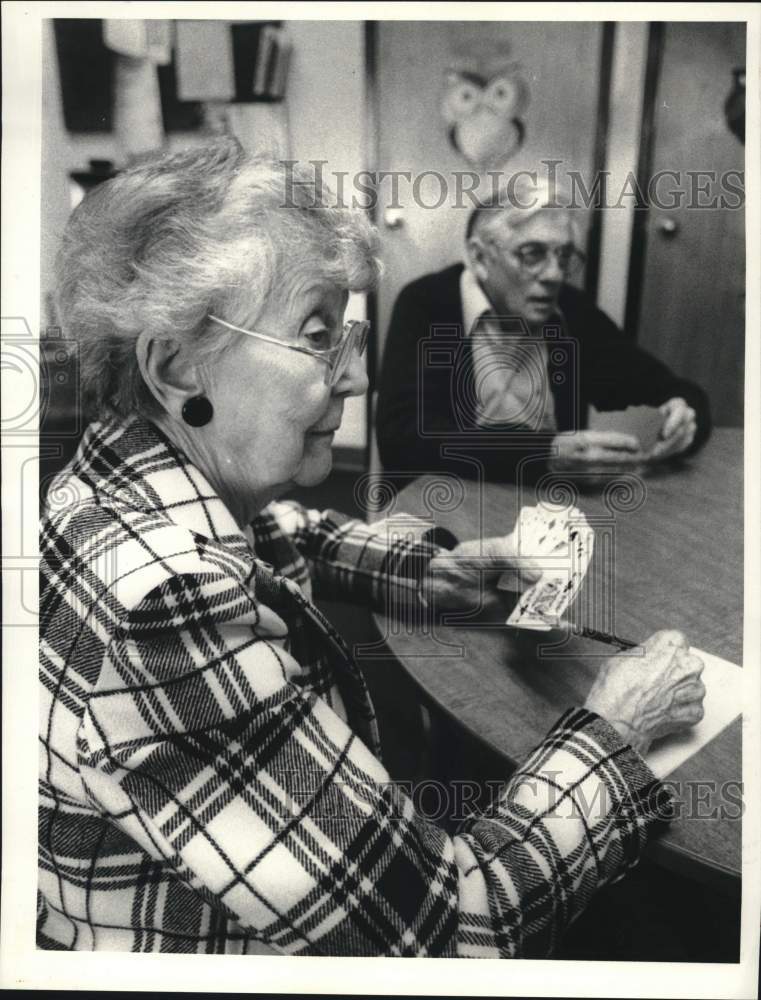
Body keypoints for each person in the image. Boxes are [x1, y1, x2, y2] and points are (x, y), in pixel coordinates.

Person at [39, 142, 706, 957]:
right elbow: (448, 927)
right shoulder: (168, 610)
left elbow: (286, 532)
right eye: (319, 337)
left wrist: (438, 566)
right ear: (177, 367)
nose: (351, 380)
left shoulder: (114, 486)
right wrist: (616, 730)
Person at [376, 179, 711, 483]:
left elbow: (667, 386)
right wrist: (544, 454)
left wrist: (685, 412)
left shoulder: (571, 309)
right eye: (532, 254)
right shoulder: (427, 303)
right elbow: (402, 439)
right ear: (480, 258)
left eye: (563, 256)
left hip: (547, 510)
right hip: (446, 500)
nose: (554, 275)